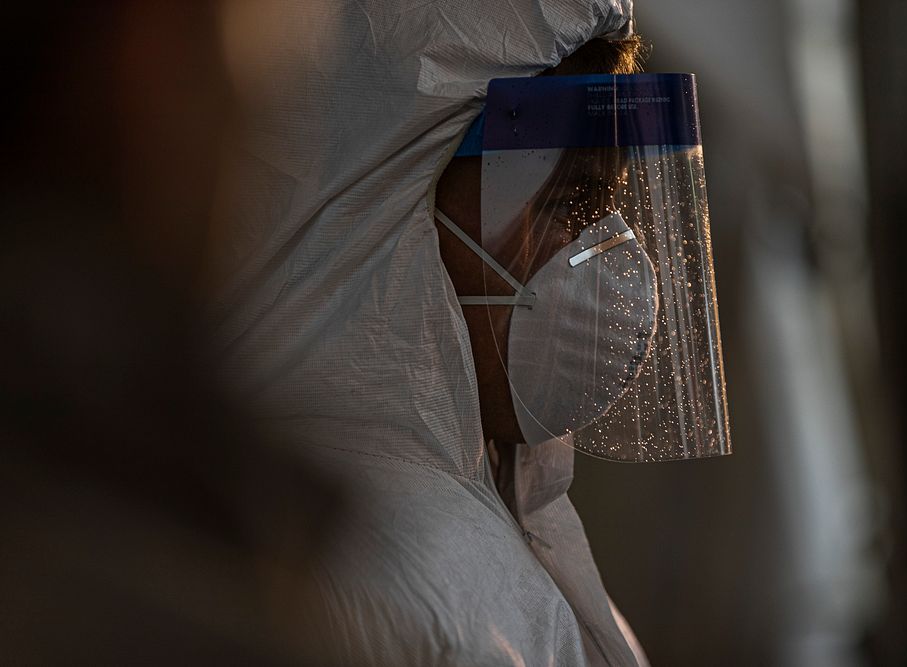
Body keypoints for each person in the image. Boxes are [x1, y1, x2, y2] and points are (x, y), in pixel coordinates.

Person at [209, 0, 651, 663]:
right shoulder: (404, 587)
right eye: (566, 202)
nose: (603, 252)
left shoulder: (481, 541)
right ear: (397, 204)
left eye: (605, 206)